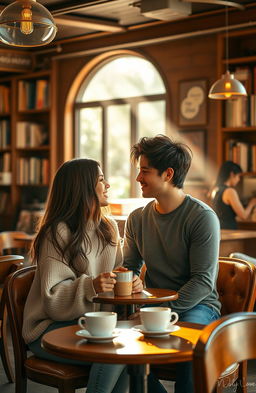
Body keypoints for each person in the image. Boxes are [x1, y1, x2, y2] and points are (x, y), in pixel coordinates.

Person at [22, 158, 142, 393]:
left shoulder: (107, 228)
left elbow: (115, 279)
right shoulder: (57, 232)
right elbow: (54, 301)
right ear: (83, 187)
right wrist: (91, 286)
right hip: (49, 328)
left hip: (97, 326)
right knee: (116, 354)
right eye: (100, 179)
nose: (107, 184)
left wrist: (131, 283)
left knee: (130, 351)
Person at [123, 135, 221, 393]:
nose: (138, 179)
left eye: (145, 171)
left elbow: (202, 282)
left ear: (168, 174)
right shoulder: (136, 219)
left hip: (199, 305)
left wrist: (160, 311)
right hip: (155, 306)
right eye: (138, 171)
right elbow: (129, 267)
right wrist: (126, 281)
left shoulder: (202, 218)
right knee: (123, 351)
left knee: (191, 353)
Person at [211, 160, 256, 229]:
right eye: (238, 176)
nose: (238, 179)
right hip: (229, 231)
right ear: (232, 174)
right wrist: (252, 203)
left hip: (218, 229)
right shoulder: (230, 191)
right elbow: (243, 216)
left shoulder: (215, 189)